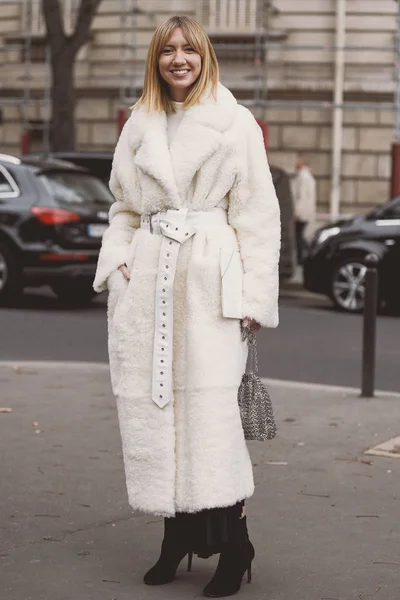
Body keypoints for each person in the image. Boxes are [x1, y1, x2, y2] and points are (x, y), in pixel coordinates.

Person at [93, 15, 280, 598]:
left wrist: (253, 298)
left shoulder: (235, 122)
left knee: (213, 423)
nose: (179, 59)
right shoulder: (138, 123)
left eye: (189, 50)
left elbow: (257, 214)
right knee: (157, 415)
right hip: (147, 287)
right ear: (156, 58)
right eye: (168, 50)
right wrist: (118, 262)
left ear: (205, 57)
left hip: (209, 287)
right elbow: (122, 205)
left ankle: (235, 545)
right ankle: (176, 536)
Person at [291, 156, 316, 264]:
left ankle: (301, 258)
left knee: (298, 237)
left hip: (301, 214)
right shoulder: (307, 177)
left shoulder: (303, 177)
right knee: (300, 236)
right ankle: (304, 256)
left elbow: (301, 197)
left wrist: (297, 213)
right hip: (306, 213)